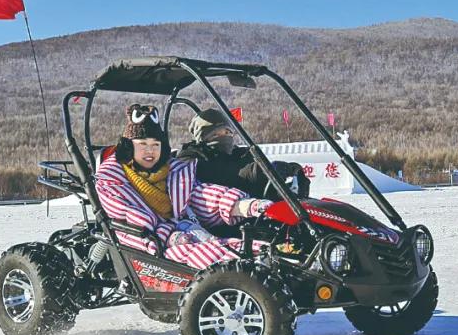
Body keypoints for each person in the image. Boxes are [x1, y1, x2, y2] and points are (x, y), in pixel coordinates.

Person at [95, 104, 271, 270]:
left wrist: (245, 205)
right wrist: (171, 236)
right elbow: (131, 220)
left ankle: (262, 265)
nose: (150, 151)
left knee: (238, 248)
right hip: (154, 249)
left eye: (155, 145)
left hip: (187, 232)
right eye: (142, 145)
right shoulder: (113, 181)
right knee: (214, 258)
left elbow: (199, 194)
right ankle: (242, 276)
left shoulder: (172, 172)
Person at [177, 108, 310, 201]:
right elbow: (222, 176)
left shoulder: (240, 154)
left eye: (227, 132)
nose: (224, 137)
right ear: (202, 138)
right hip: (217, 223)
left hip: (255, 215)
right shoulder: (191, 159)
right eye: (216, 134)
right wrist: (258, 171)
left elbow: (257, 188)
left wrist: (288, 183)